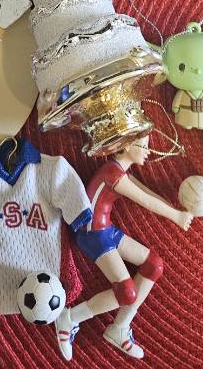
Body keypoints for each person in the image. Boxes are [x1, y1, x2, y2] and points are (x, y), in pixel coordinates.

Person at [55, 134, 192, 361]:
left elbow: (147, 193)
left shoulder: (120, 172)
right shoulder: (113, 174)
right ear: (127, 146)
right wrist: (176, 216)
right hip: (92, 235)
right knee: (127, 293)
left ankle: (120, 327)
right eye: (144, 146)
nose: (149, 151)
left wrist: (177, 210)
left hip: (105, 230)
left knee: (154, 265)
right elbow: (145, 201)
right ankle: (69, 318)